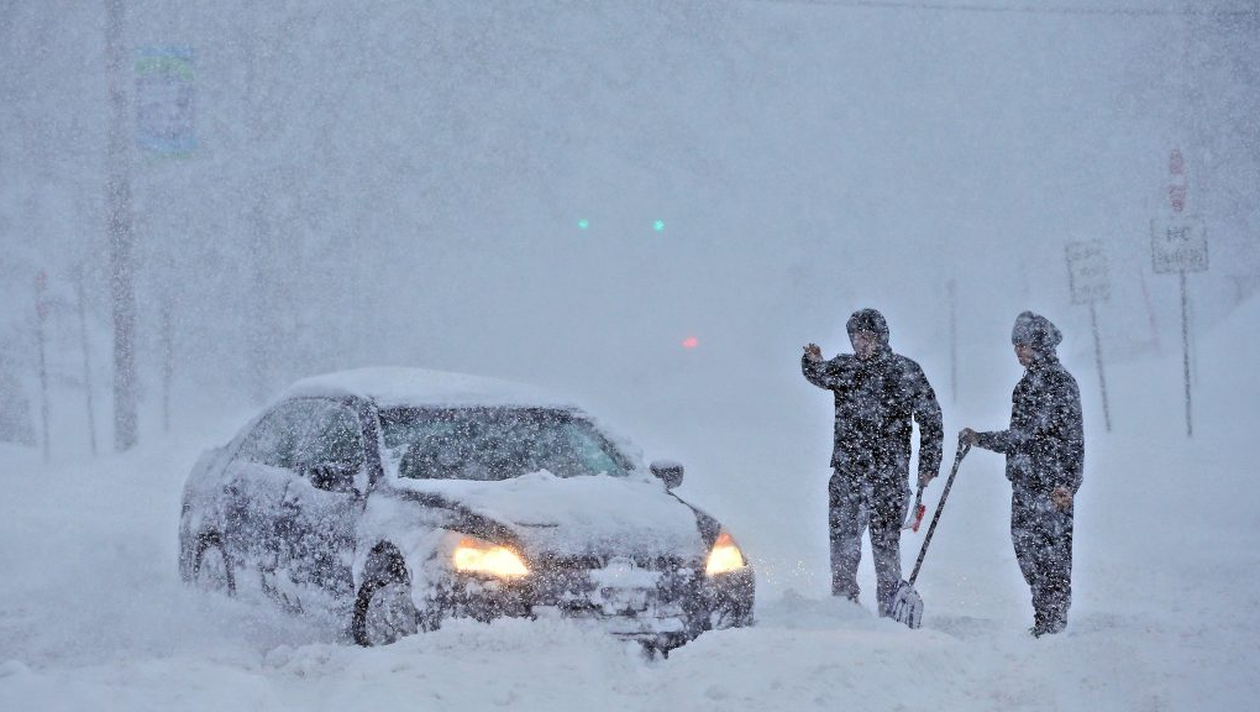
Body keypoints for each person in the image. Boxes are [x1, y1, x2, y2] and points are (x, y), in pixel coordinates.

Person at [803, 308, 943, 610]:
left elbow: (931, 419)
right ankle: (843, 605)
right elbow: (820, 374)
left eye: (867, 336)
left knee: (886, 547)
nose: (861, 343)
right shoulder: (845, 368)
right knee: (843, 544)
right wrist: (812, 361)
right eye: (856, 337)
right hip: (847, 474)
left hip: (889, 478)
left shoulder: (905, 371)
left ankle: (889, 609)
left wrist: (929, 464)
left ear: (882, 337)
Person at [961, 311, 1083, 637]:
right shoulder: (1026, 385)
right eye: (1015, 345)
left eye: (1024, 344)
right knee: (1028, 552)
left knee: (1052, 557)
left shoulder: (1060, 384)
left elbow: (1071, 439)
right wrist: (981, 439)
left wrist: (1068, 484)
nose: (1018, 351)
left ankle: (1053, 622)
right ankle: (1045, 616)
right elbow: (1022, 437)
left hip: (1051, 487)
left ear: (1040, 345)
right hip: (1025, 483)